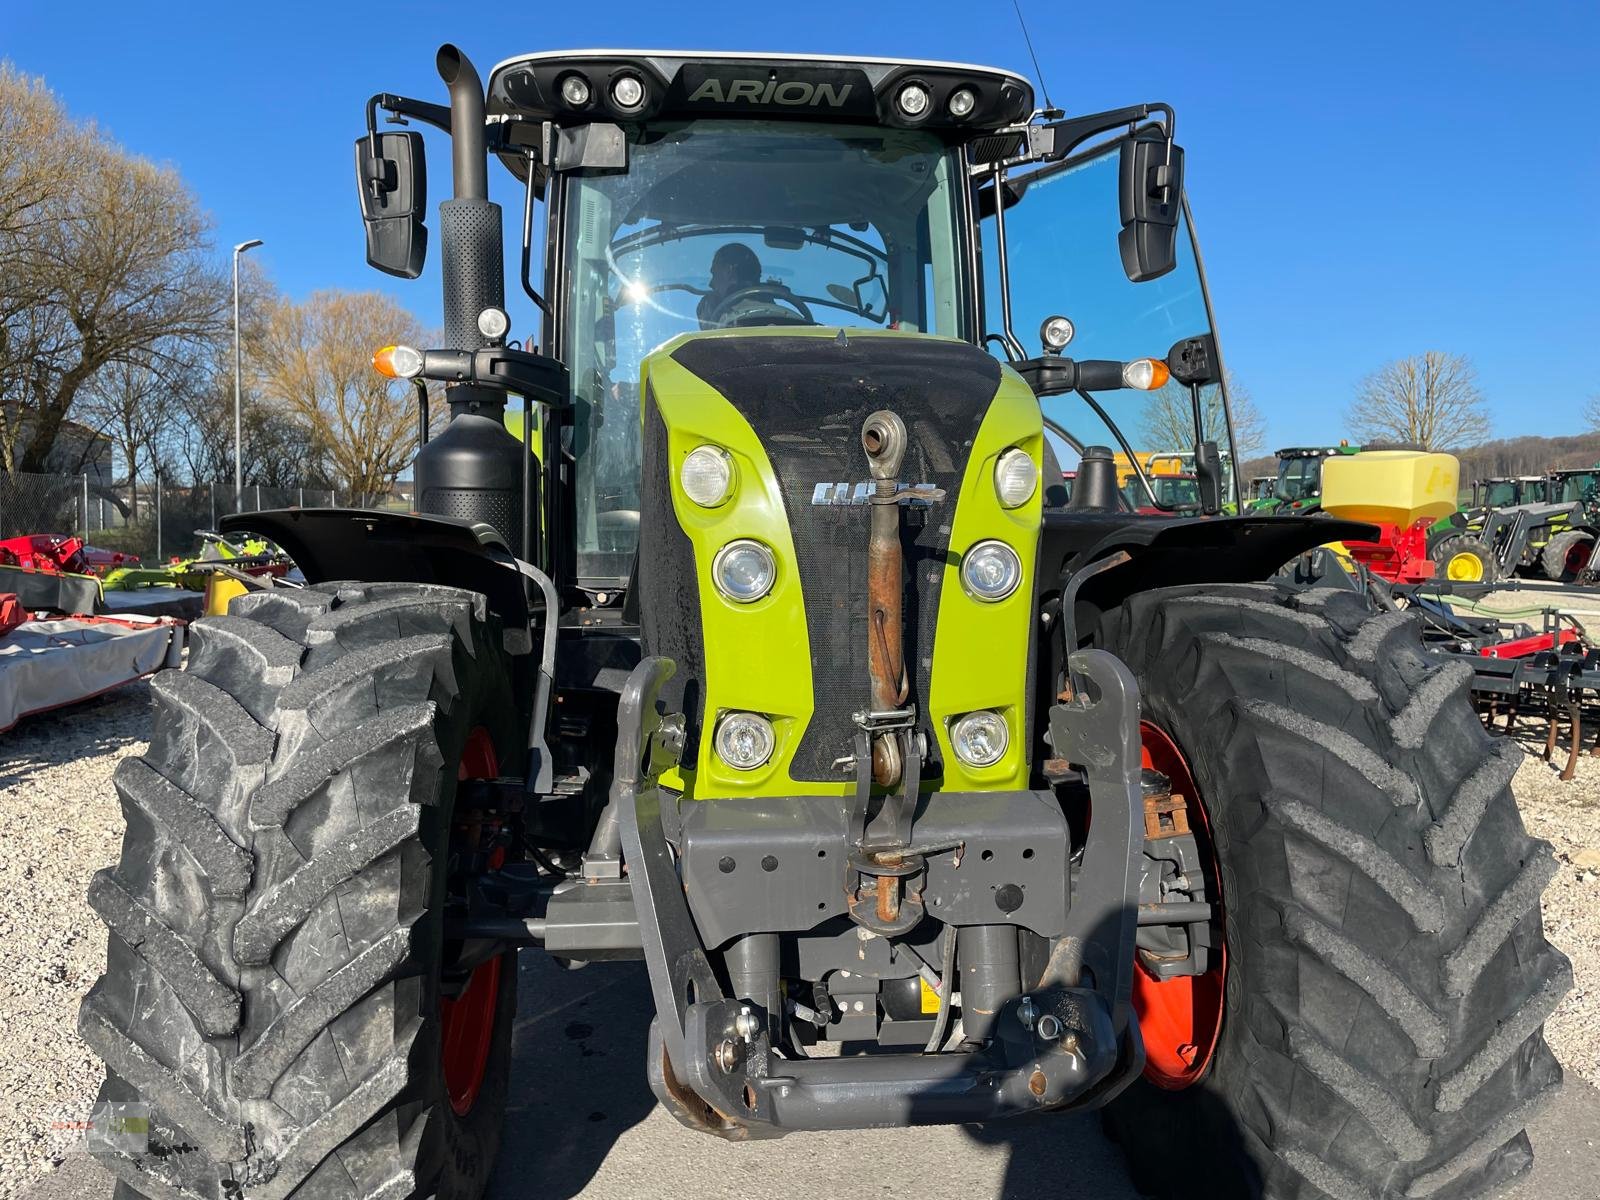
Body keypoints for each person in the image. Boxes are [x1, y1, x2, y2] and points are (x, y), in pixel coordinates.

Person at [696, 242, 799, 329]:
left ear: (728, 271)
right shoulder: (790, 322)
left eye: (714, 274)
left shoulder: (722, 318)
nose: (711, 284)